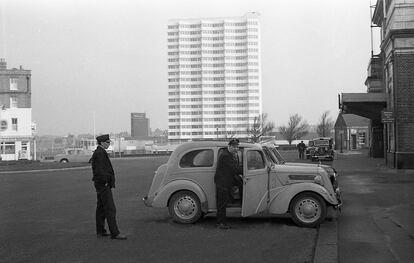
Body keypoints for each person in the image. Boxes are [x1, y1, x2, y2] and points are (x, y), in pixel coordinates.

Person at [91, 134, 127, 240]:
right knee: (110, 208)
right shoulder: (100, 153)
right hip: (103, 184)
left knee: (101, 208)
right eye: (107, 142)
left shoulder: (100, 152)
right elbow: (99, 170)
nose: (109, 144)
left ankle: (100, 231)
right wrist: (106, 181)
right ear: (102, 143)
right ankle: (115, 233)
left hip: (101, 184)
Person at [214, 138, 241, 229]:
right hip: (223, 183)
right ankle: (220, 223)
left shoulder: (228, 154)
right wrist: (245, 170)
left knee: (222, 203)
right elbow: (234, 169)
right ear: (229, 146)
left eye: (237, 147)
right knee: (222, 204)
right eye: (234, 147)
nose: (236, 149)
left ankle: (222, 222)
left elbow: (233, 168)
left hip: (224, 181)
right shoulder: (226, 155)